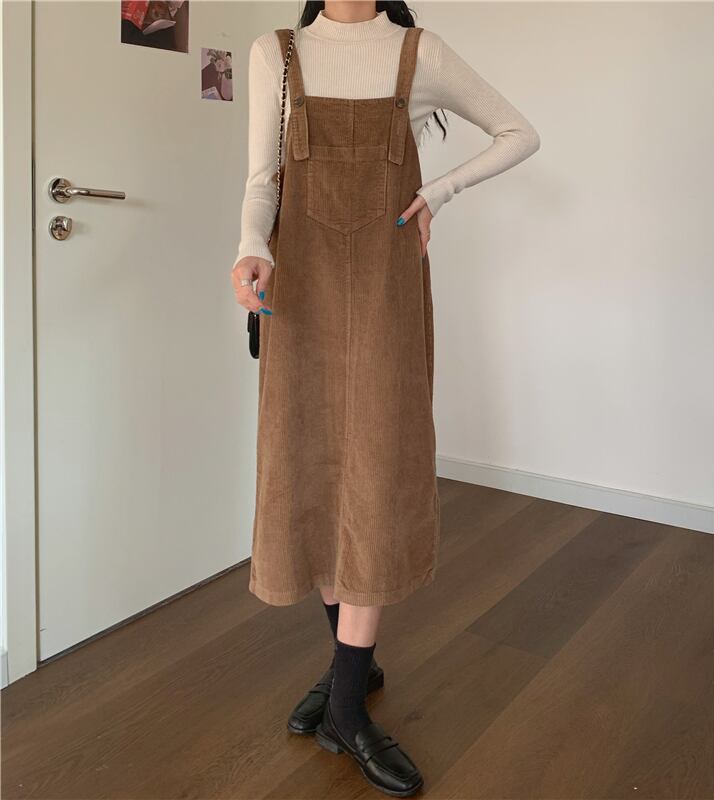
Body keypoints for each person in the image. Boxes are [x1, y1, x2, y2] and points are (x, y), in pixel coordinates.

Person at [230, 2, 540, 796]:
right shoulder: (276, 54)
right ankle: (353, 670)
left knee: (373, 473)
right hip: (298, 297)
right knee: (313, 470)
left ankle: (344, 704)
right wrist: (251, 248)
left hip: (386, 291)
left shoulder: (416, 53)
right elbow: (263, 183)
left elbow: (519, 133)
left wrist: (440, 191)